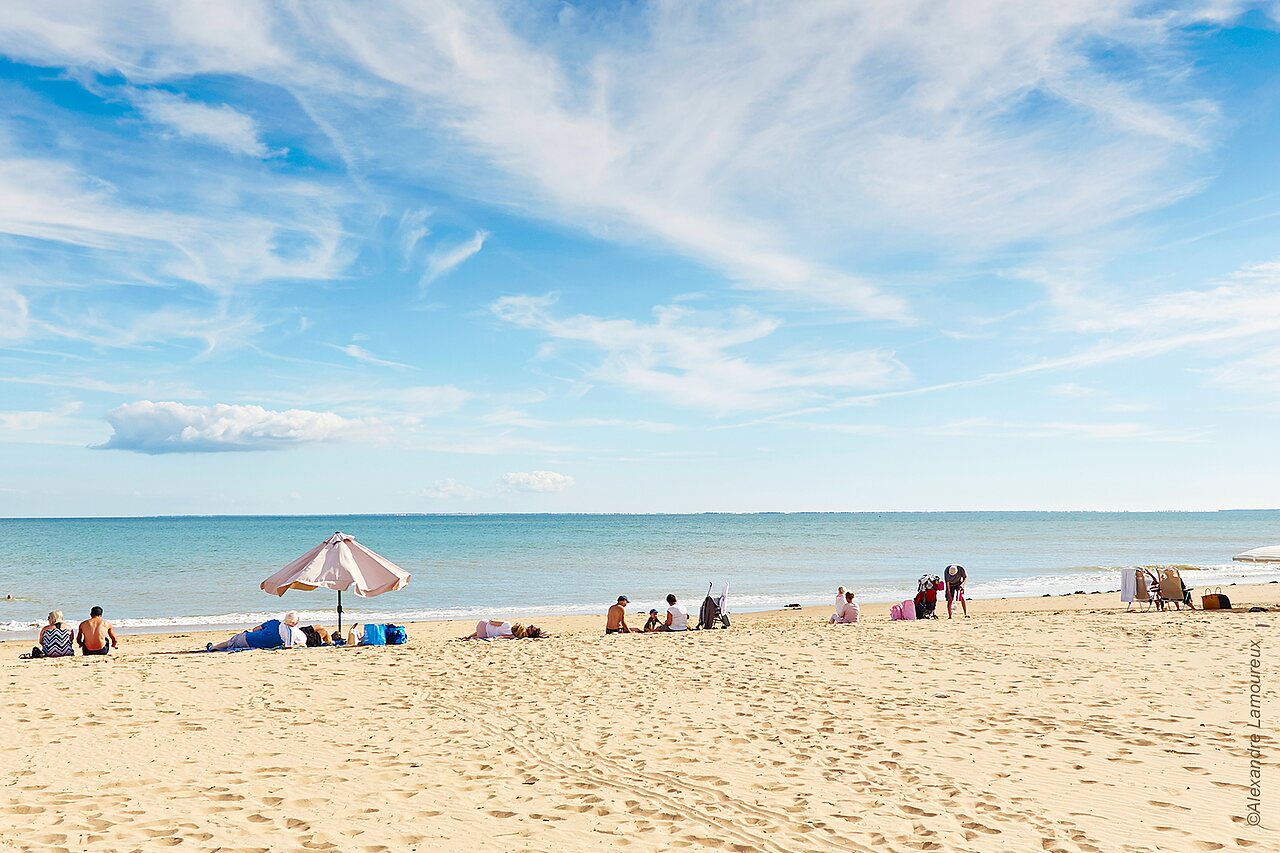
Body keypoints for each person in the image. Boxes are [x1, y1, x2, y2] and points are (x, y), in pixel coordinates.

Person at [206, 612, 305, 652]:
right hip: (250, 642)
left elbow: (255, 629)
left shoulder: (274, 622)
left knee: (230, 642)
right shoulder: (287, 635)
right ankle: (213, 648)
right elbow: (289, 647)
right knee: (230, 643)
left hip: (247, 637)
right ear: (296, 623)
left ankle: (213, 647)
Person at [460, 620, 543, 640]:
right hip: (486, 634)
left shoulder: (507, 624)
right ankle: (469, 637)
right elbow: (501, 636)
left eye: (531, 627)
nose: (530, 626)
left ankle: (469, 637)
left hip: (483, 624)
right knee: (485, 632)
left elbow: (491, 622)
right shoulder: (514, 636)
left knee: (487, 627)